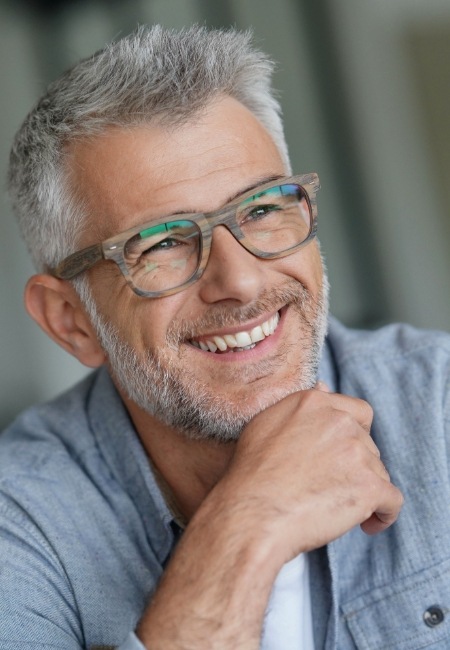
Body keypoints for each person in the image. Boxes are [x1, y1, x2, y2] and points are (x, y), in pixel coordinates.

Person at [2, 24, 449, 650]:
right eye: (161, 243)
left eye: (263, 209)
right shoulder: (17, 527)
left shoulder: (440, 405)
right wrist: (246, 526)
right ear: (70, 320)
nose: (238, 280)